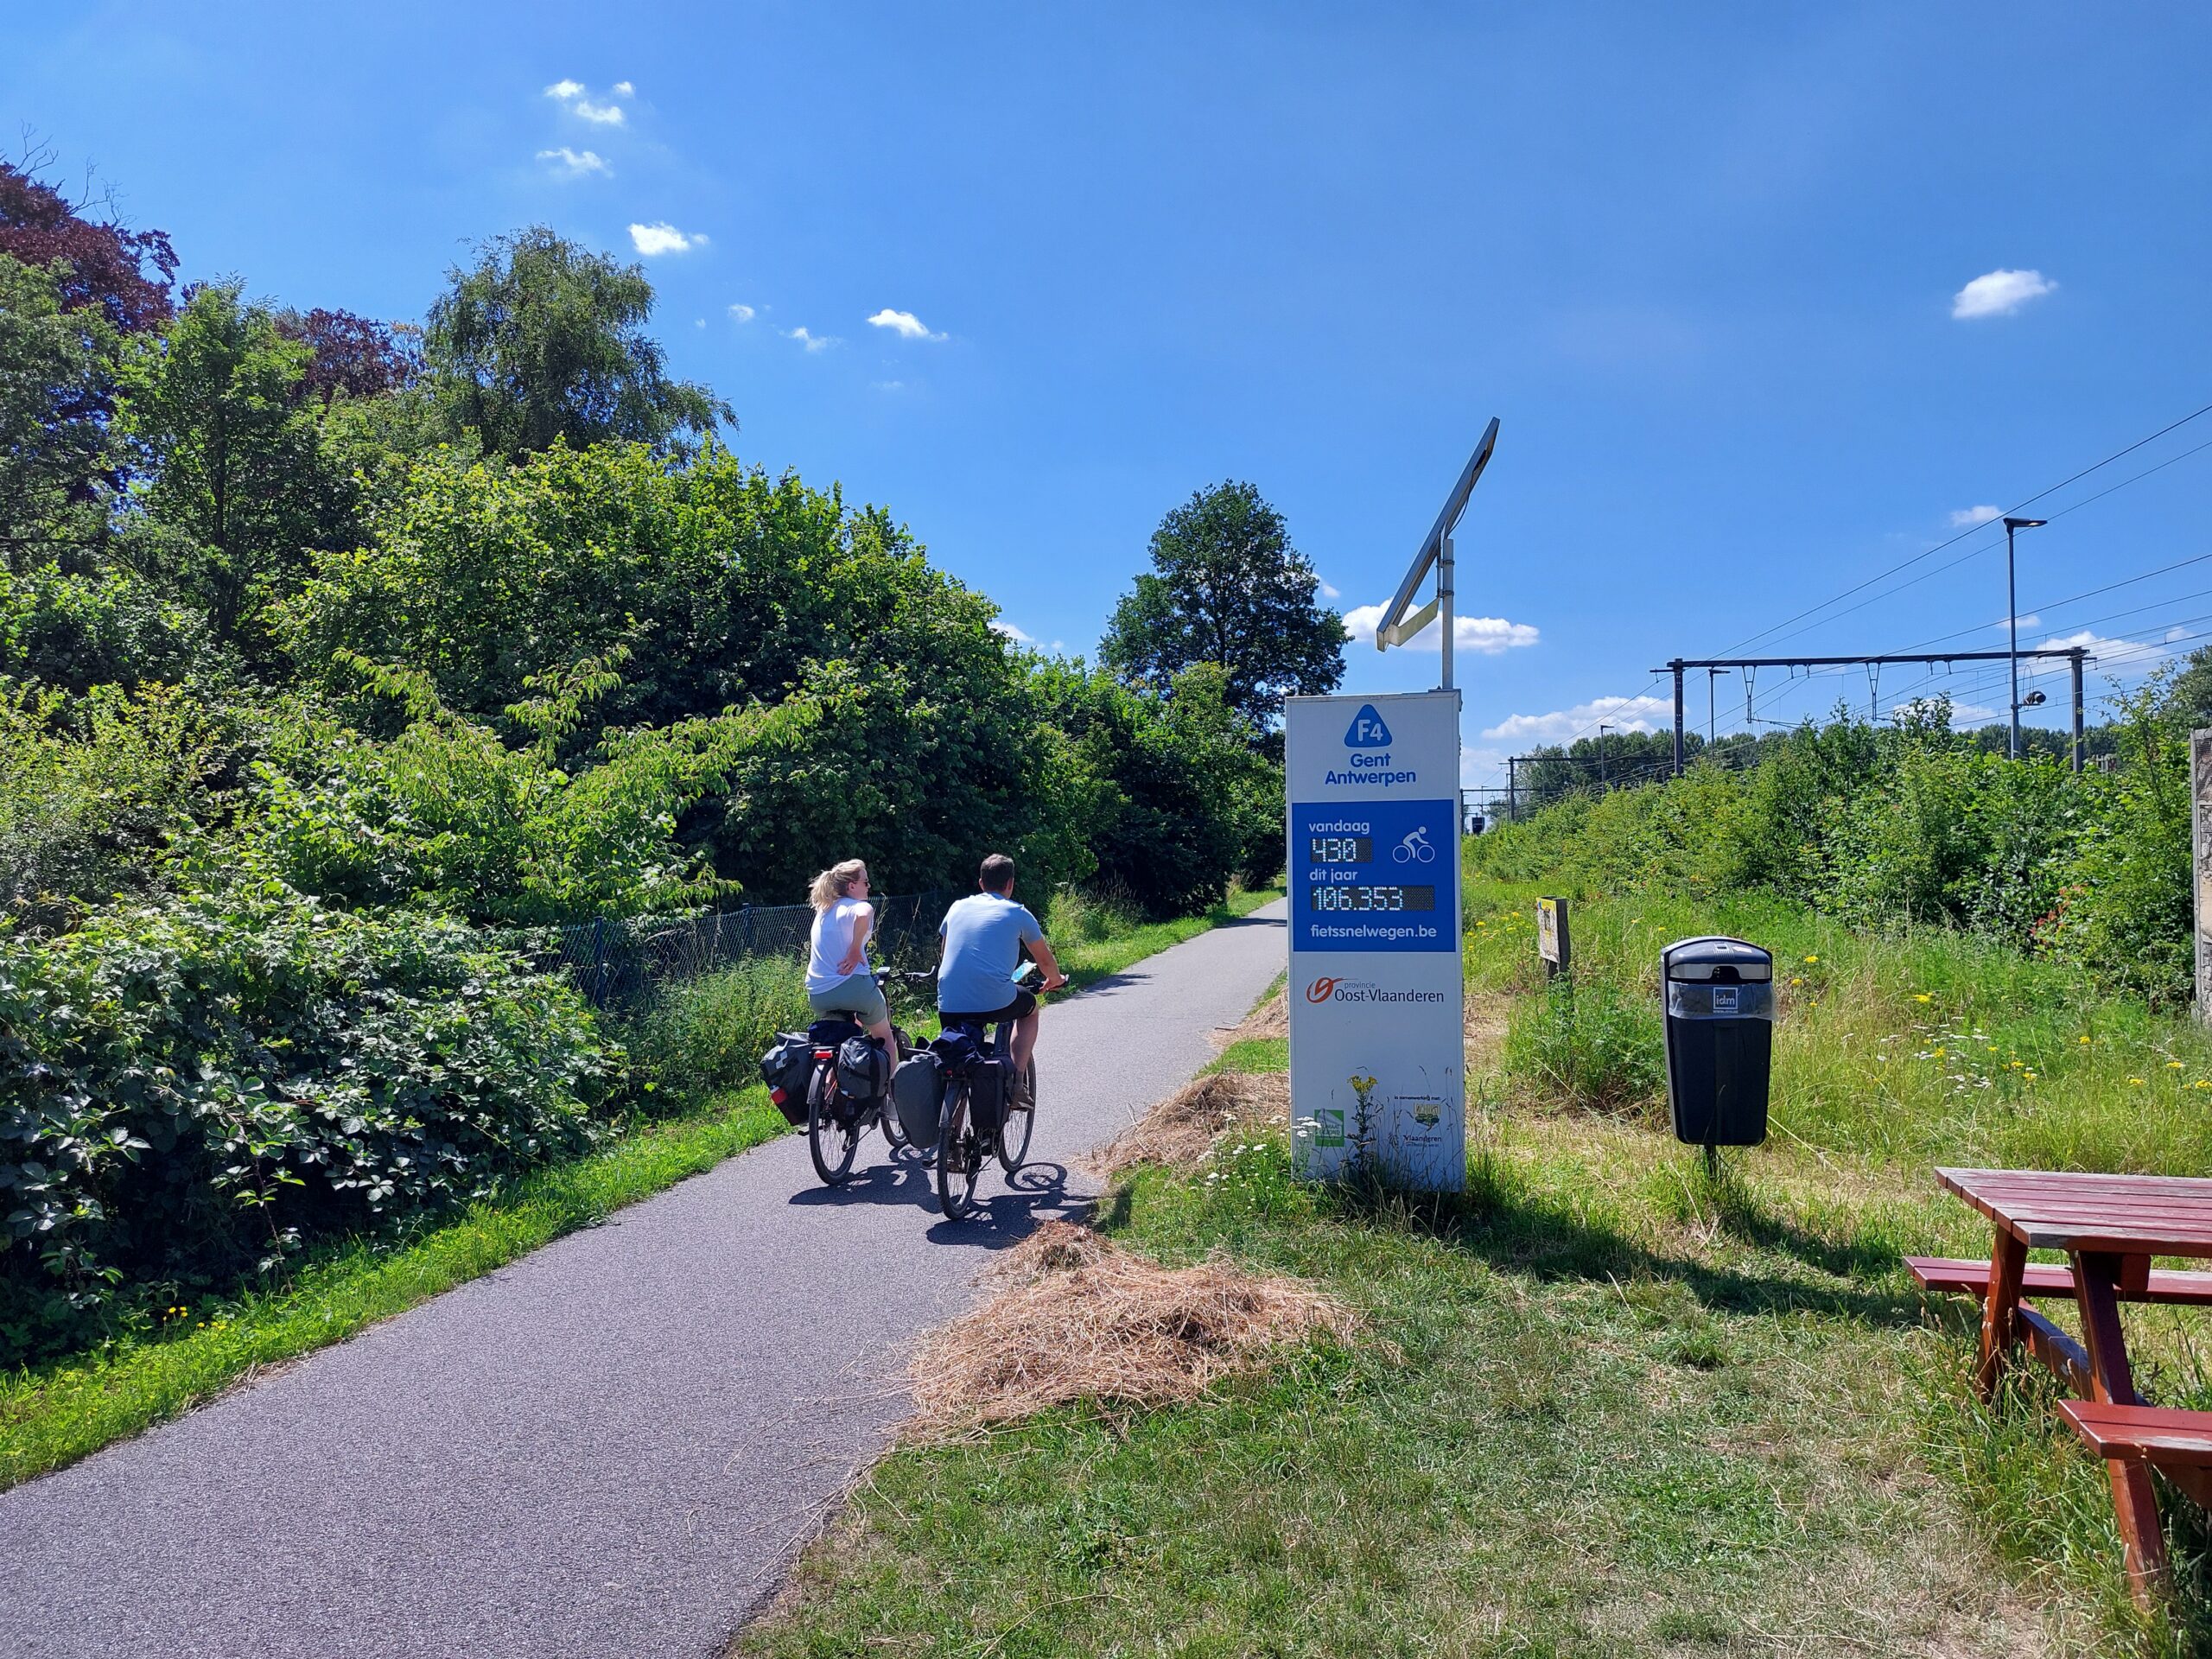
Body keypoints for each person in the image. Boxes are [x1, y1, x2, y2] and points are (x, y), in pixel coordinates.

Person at [936, 853, 1067, 1100]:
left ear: (981, 883)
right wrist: (1056, 979)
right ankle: (1016, 1081)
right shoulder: (1017, 913)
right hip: (996, 999)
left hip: (949, 1000)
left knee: (958, 1056)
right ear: (1010, 884)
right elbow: (1045, 961)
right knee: (1030, 1009)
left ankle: (950, 1122)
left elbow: (944, 955)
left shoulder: (956, 907)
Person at [804, 859, 895, 1058]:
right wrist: (855, 951)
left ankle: (829, 1082)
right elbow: (865, 914)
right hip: (853, 988)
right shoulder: (856, 906)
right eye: (866, 882)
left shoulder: (823, 910)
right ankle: (892, 1084)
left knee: (834, 1042)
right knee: (884, 1035)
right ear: (852, 886)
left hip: (818, 993)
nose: (869, 886)